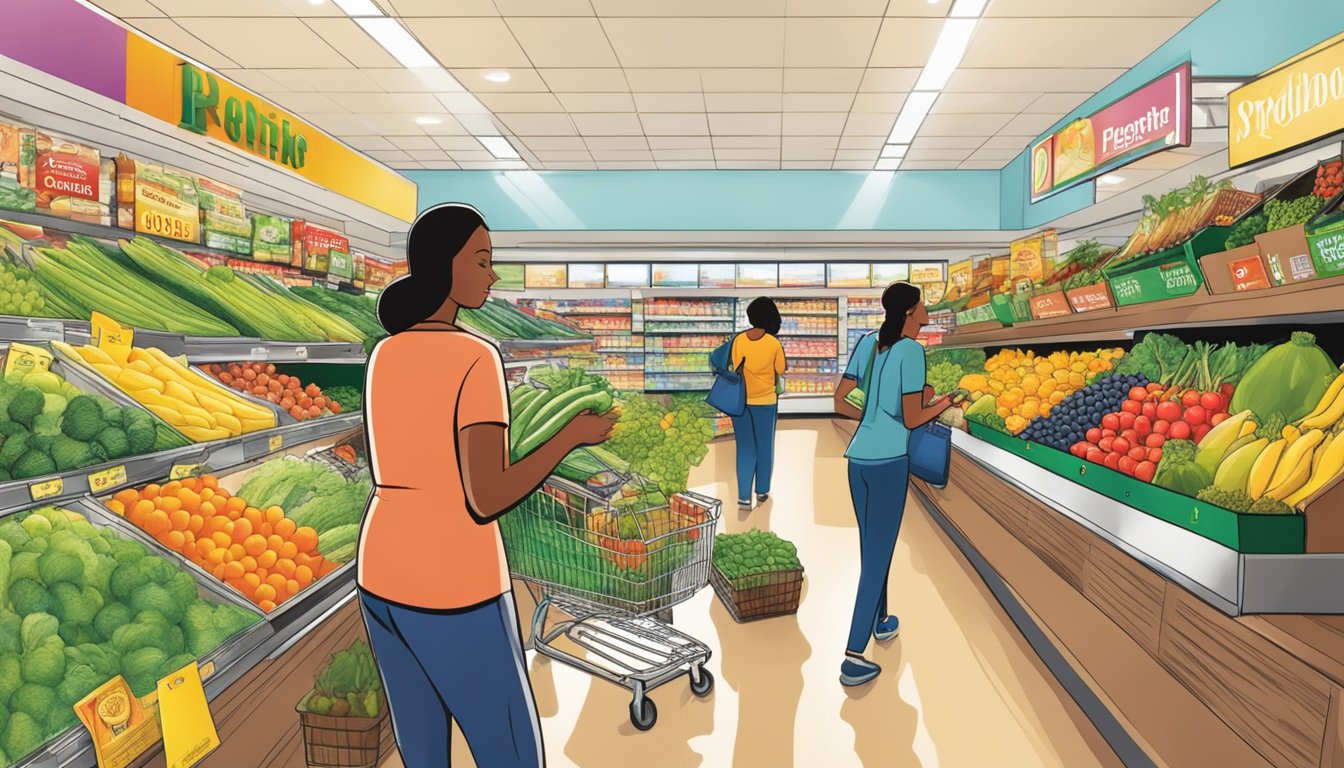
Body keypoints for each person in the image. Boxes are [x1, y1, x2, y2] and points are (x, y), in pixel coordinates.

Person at [357, 203, 616, 767]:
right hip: (454, 582)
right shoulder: (475, 358)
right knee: (512, 753)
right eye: (481, 260)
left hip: (379, 571)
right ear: (442, 267)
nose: (492, 274)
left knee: (423, 750)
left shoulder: (384, 353)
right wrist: (570, 436)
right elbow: (486, 496)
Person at [832, 282, 951, 687]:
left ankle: (882, 621)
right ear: (909, 312)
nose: (926, 313)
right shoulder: (911, 352)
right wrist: (946, 402)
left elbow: (839, 398)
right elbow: (914, 417)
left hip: (858, 460)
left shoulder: (869, 343)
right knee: (878, 557)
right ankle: (853, 655)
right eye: (922, 307)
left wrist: (872, 416)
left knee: (873, 547)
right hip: (888, 464)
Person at [728, 297, 788, 511]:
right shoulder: (773, 343)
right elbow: (781, 369)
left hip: (740, 401)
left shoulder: (739, 340)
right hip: (765, 403)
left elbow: (735, 366)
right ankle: (761, 490)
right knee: (764, 447)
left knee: (744, 448)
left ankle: (743, 497)